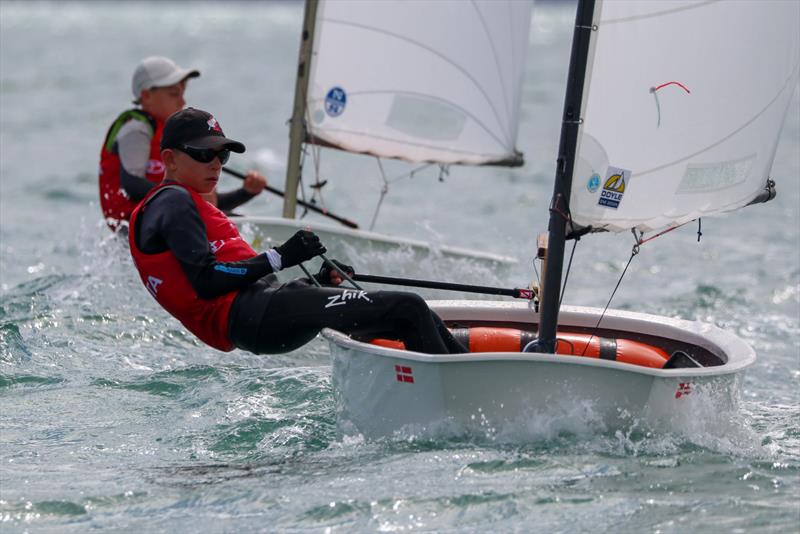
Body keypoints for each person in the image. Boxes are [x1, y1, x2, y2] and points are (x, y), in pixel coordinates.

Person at [128, 108, 466, 355]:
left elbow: (232, 280)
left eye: (222, 154)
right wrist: (280, 256)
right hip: (255, 315)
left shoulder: (176, 203)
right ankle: (458, 398)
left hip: (261, 314)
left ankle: (467, 369)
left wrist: (311, 283)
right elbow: (207, 280)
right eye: (204, 153)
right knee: (407, 307)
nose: (215, 163)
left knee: (413, 314)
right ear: (170, 160)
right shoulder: (171, 202)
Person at [99, 56, 266, 229]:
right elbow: (132, 185)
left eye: (182, 93)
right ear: (146, 96)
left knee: (242, 224)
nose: (182, 101)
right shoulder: (136, 130)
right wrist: (192, 199)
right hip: (139, 229)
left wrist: (246, 192)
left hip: (167, 218)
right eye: (174, 94)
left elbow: (210, 204)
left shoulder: (172, 138)